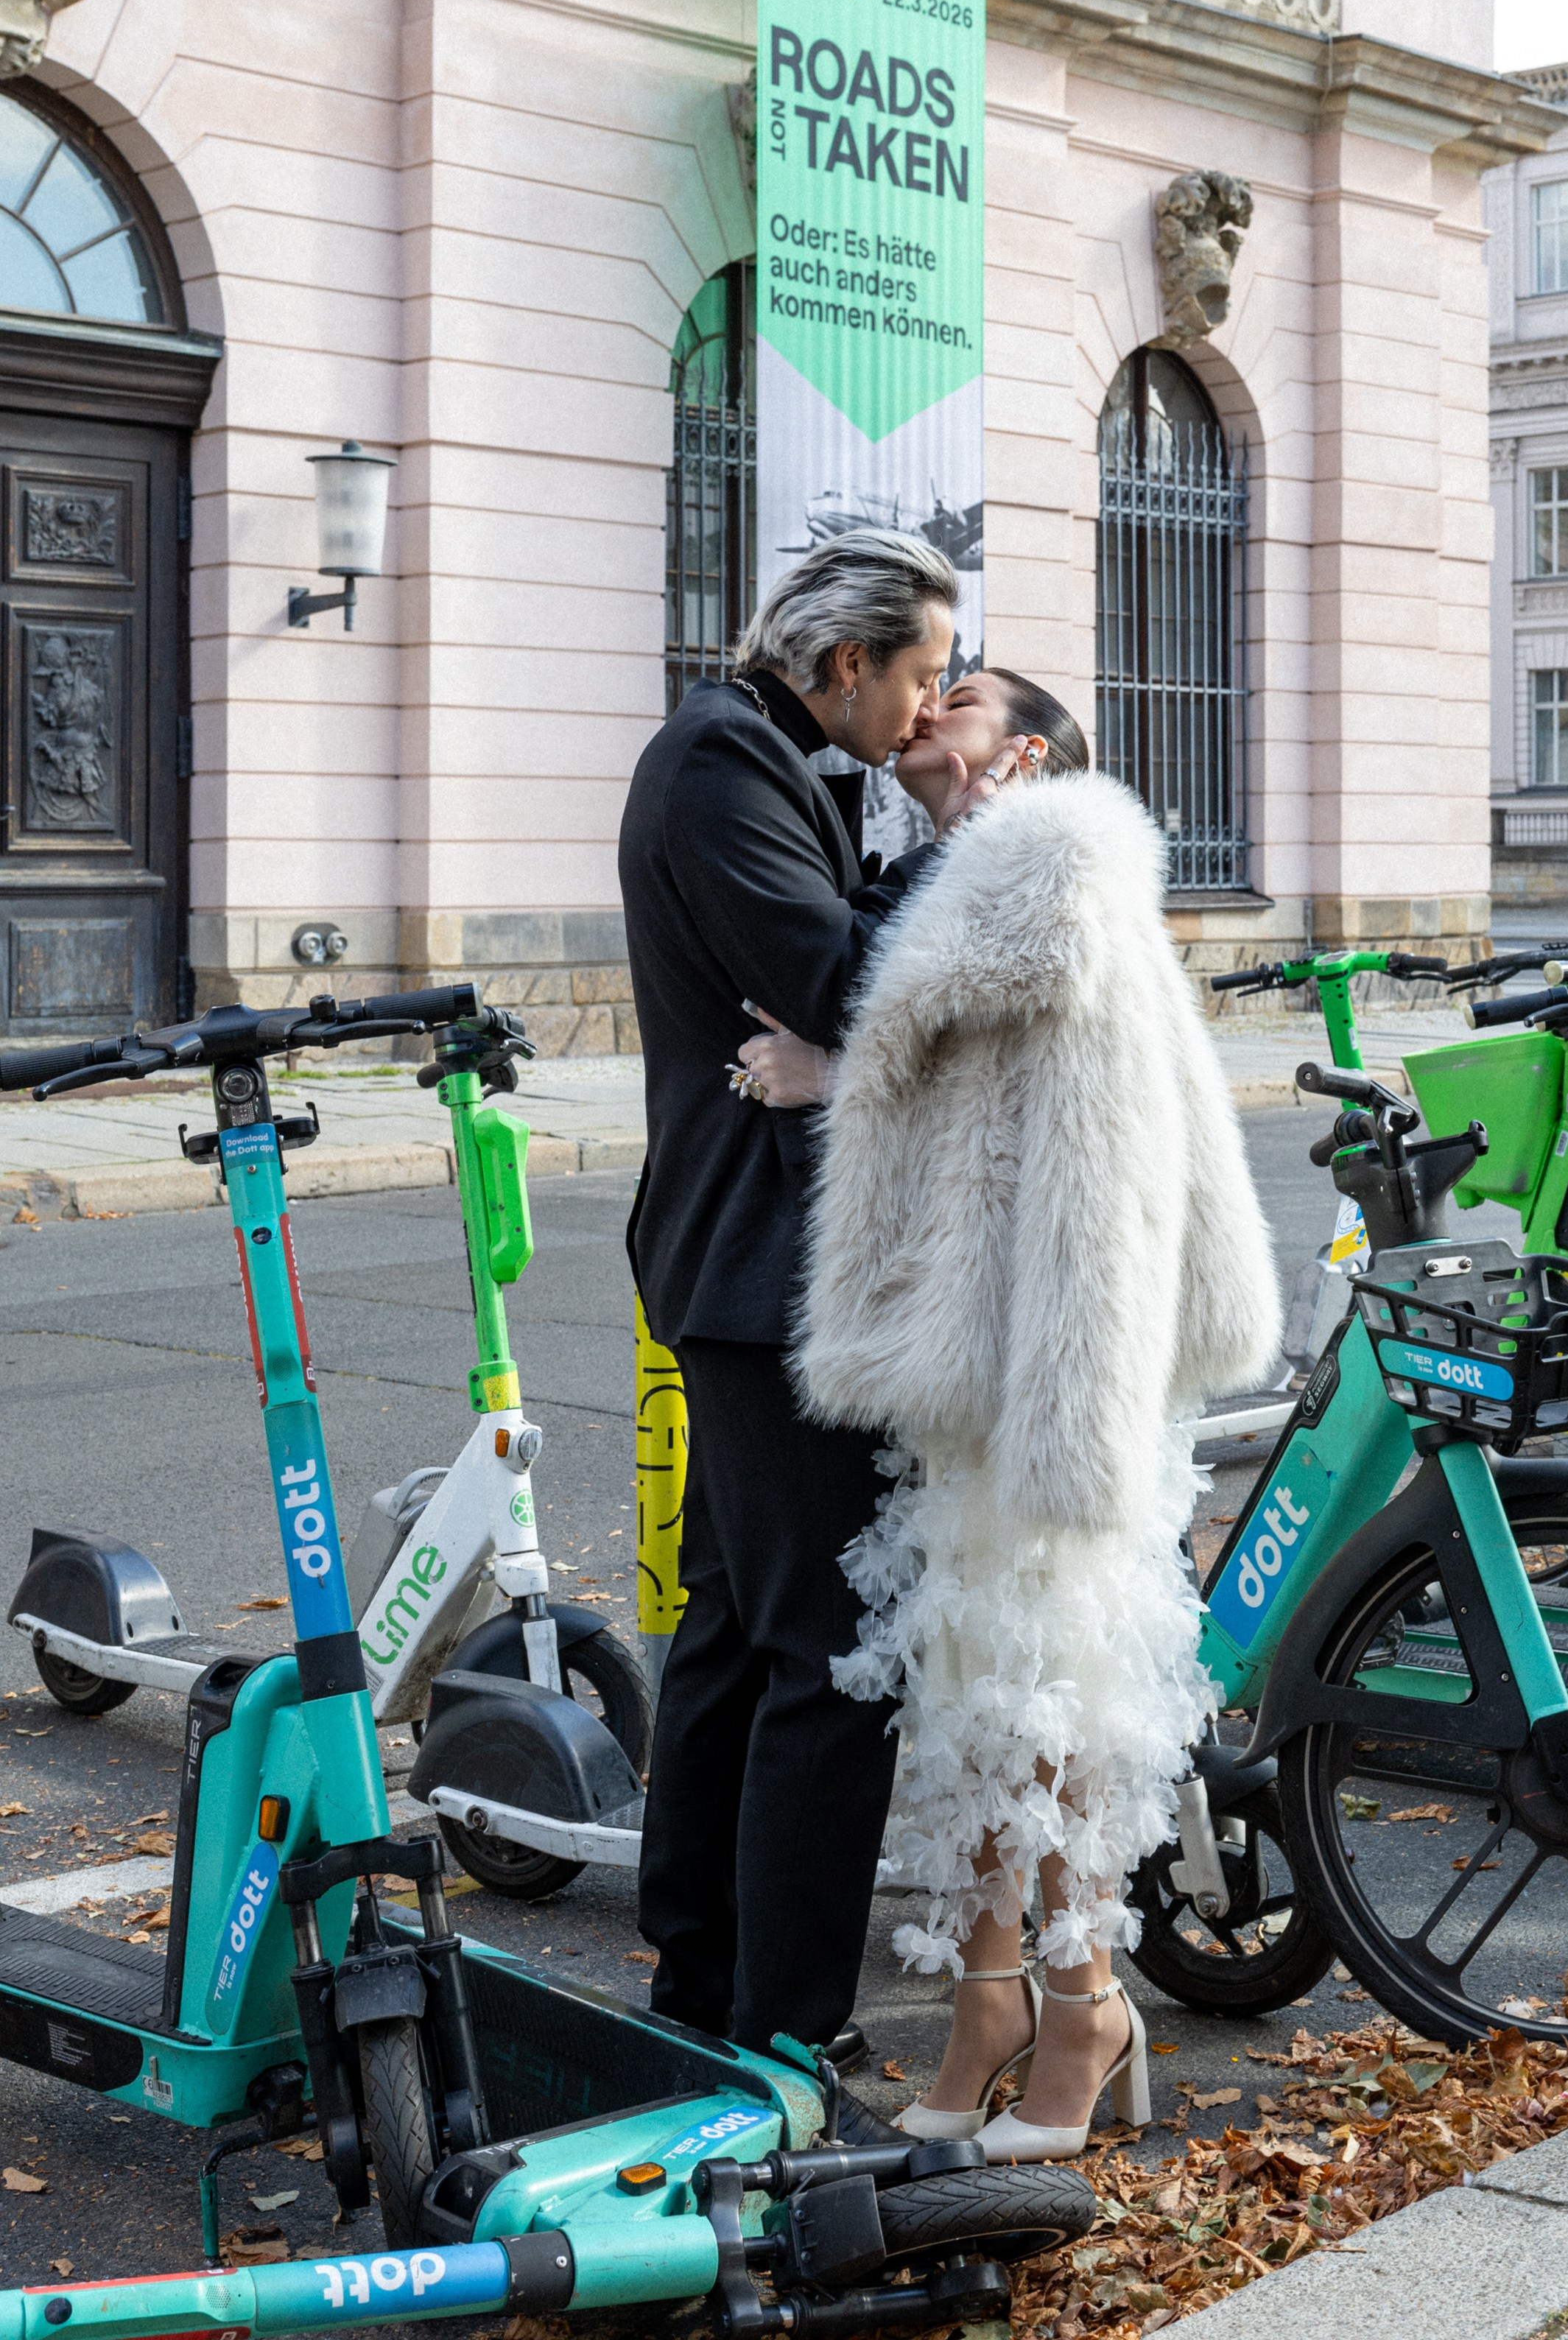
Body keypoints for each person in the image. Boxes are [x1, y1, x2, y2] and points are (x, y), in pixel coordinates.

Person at [740, 672, 1280, 2157]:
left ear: (1023, 750)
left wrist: (833, 1071)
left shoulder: (1046, 862)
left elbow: (1091, 1132)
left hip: (1053, 1358)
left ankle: (1085, 1998)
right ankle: (993, 2004)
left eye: (960, 695)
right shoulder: (979, 874)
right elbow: (1000, 1086)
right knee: (981, 1684)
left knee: (1042, 1682)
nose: (926, 703)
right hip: (994, 1352)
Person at [617, 530, 1027, 2062]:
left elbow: (845, 956)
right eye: (916, 675)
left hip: (748, 1261)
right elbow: (850, 979)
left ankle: (704, 1988)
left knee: (735, 1631)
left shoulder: (753, 761)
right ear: (841, 664)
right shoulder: (722, 765)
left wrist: (924, 853)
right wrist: (967, 848)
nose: (922, 711)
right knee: (828, 1661)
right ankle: (785, 2031)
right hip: (772, 1267)